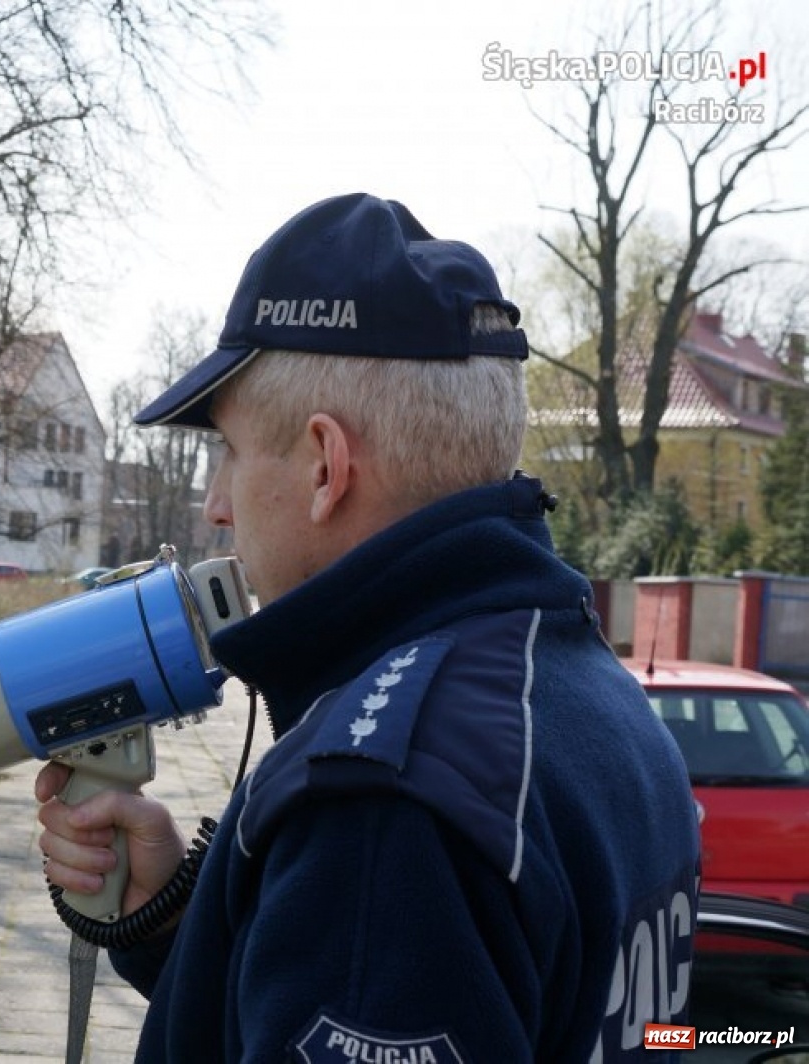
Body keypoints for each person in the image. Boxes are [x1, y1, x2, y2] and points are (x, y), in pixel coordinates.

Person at [35, 193, 700, 1062]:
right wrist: (177, 921)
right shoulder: (581, 686)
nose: (216, 506)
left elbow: (382, 941)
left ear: (324, 464)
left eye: (230, 453)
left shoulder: (383, 805)